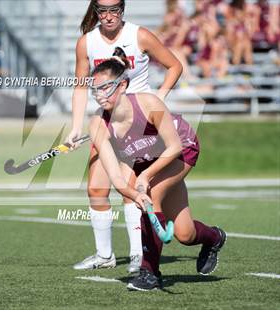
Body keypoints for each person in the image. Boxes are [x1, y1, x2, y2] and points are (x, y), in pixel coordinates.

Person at [88, 47, 226, 291]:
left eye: (105, 87)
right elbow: (119, 181)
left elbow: (173, 146)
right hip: (148, 159)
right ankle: (215, 237)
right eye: (95, 89)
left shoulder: (148, 103)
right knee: (185, 234)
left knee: (152, 194)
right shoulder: (98, 125)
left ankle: (150, 273)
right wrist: (134, 193)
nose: (99, 95)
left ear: (122, 86)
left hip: (181, 148)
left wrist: (145, 176)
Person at [68, 0, 183, 274]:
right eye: (103, 11)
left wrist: (159, 98)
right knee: (96, 189)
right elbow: (81, 87)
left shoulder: (139, 35)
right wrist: (75, 127)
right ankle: (104, 254)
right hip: (107, 121)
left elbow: (174, 66)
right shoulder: (87, 43)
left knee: (130, 189)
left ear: (123, 10)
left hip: (138, 123)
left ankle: (136, 255)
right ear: (95, 12)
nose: (108, 17)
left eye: (114, 10)